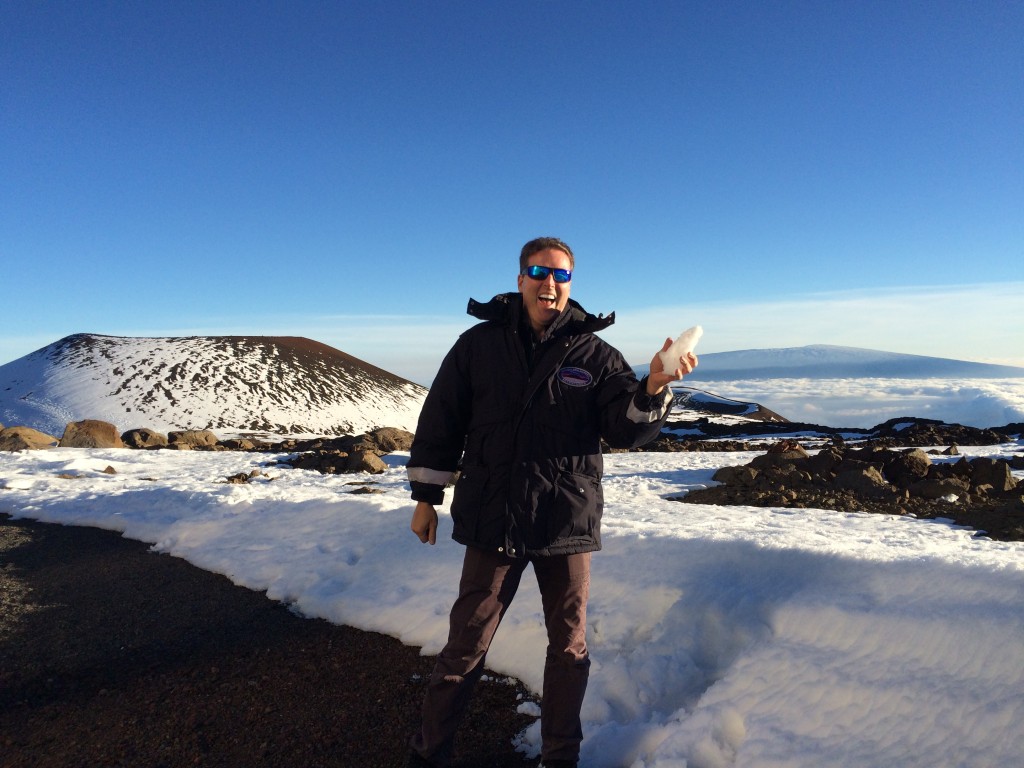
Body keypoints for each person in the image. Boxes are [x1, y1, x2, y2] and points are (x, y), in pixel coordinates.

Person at [406, 237, 697, 768]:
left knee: (568, 650)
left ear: (571, 285)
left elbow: (624, 429)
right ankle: (430, 756)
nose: (550, 284)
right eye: (540, 272)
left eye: (561, 276)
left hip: (566, 521)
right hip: (495, 515)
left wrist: (653, 386)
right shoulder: (478, 346)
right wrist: (426, 495)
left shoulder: (596, 355)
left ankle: (560, 759)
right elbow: (441, 420)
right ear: (520, 279)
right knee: (464, 646)